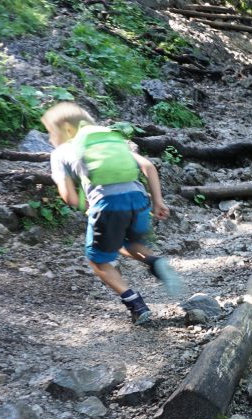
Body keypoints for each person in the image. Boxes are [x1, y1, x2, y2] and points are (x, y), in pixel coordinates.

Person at [42, 102, 182, 325]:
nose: (50, 138)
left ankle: (136, 305)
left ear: (67, 128)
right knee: (127, 243)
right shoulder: (111, 140)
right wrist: (158, 201)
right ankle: (155, 261)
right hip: (138, 200)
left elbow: (68, 196)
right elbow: (148, 167)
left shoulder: (61, 152)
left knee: (98, 261)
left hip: (108, 205)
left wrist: (86, 206)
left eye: (51, 132)